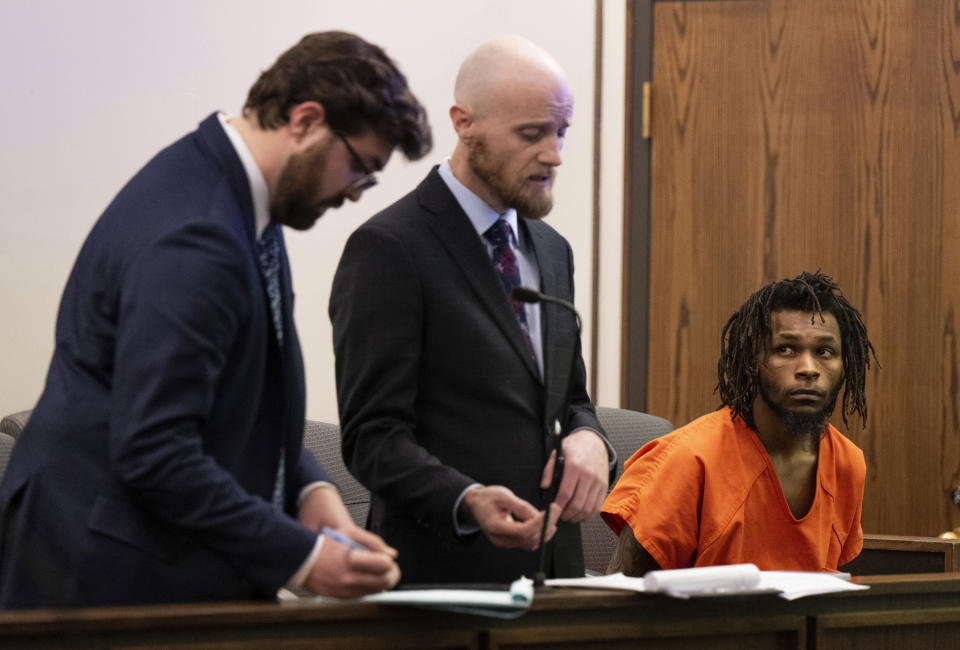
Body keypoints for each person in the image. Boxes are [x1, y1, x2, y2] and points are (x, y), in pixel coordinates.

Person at [0, 31, 431, 609]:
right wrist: (302, 558)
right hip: (102, 575)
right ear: (305, 120)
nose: (356, 193)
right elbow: (156, 451)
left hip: (140, 556)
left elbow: (241, 398)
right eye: (360, 169)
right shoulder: (198, 237)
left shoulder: (241, 191)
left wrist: (311, 489)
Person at [329, 35, 614, 585]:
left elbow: (570, 400)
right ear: (465, 123)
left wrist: (590, 440)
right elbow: (373, 437)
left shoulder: (553, 250)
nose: (554, 154)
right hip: (442, 578)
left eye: (561, 132)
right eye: (532, 133)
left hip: (555, 577)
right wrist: (467, 500)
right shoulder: (390, 249)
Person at [603, 271, 876, 575]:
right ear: (751, 359)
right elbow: (619, 596)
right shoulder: (688, 460)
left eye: (824, 351)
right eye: (785, 349)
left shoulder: (848, 464)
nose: (809, 369)